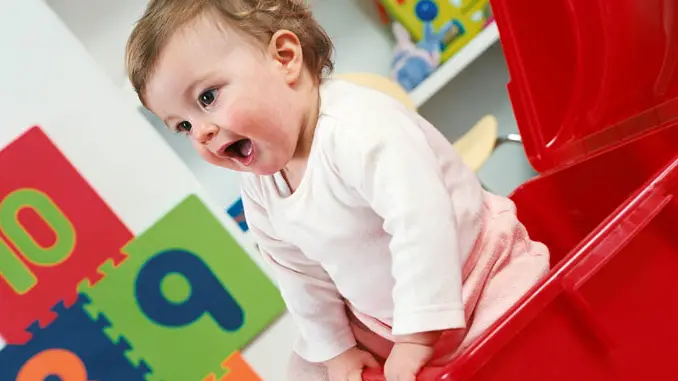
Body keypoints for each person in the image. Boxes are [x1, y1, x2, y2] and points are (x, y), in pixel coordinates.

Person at [125, 1, 550, 380]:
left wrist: (417, 337)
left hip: (477, 276)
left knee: (525, 333)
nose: (201, 131)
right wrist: (338, 352)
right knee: (307, 369)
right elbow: (299, 276)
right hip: (384, 317)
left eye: (207, 98)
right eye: (182, 126)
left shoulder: (357, 128)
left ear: (285, 59)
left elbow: (421, 222)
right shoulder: (260, 186)